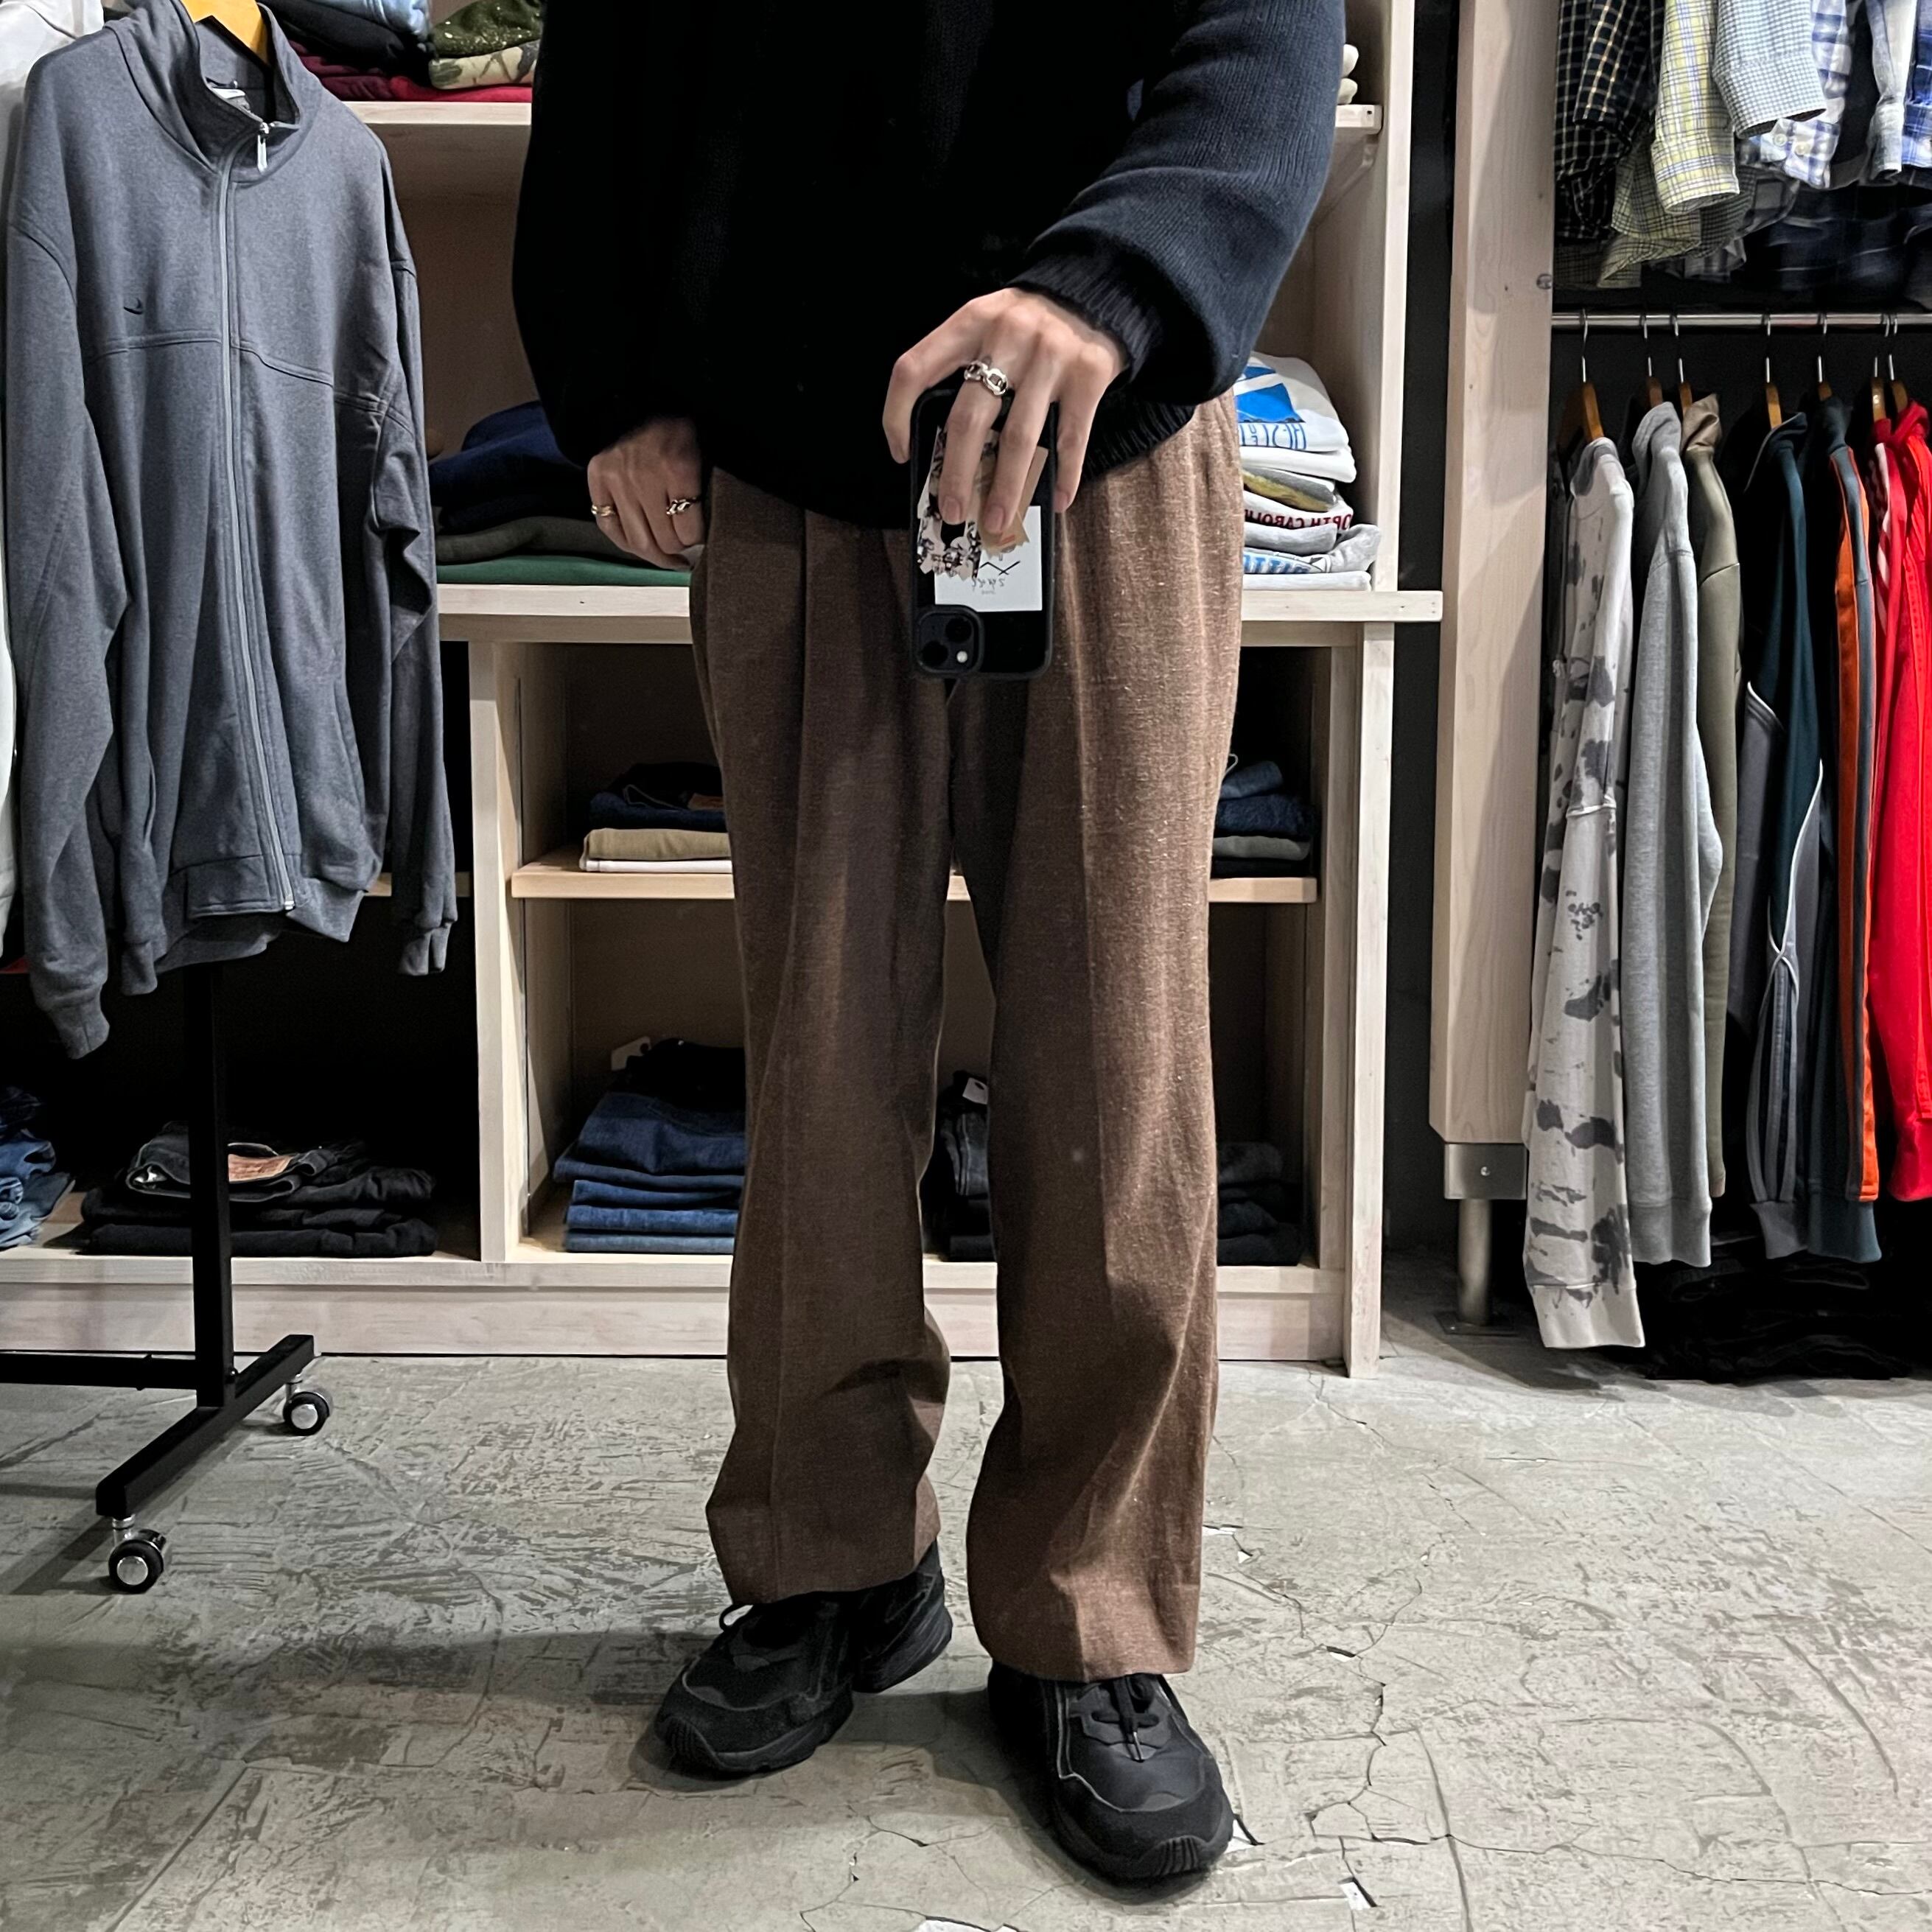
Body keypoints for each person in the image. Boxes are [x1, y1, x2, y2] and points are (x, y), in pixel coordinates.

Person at [515, 0, 1341, 1884]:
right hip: (797, 453)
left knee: (1115, 1063)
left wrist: (1118, 277)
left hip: (1101, 443)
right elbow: (616, 58)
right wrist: (619, 377)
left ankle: (1089, 1614)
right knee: (819, 1059)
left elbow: (1268, 27)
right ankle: (831, 1561)